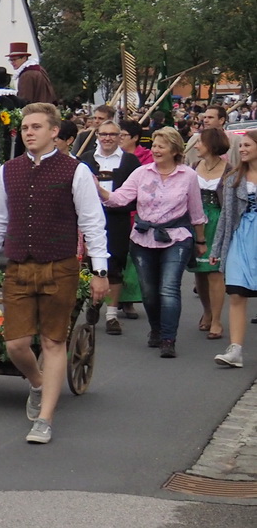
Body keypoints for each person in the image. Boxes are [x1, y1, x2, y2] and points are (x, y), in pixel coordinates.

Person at [0, 103, 111, 444]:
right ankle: (37, 382)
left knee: (53, 341)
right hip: (18, 264)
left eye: (36, 127)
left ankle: (45, 419)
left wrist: (100, 270)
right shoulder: (8, 170)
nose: (29, 132)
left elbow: (92, 222)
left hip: (60, 265)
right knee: (16, 343)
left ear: (53, 132)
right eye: (26, 127)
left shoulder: (74, 170)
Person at [101, 127, 206, 357]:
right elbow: (120, 199)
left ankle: (169, 338)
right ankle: (156, 329)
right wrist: (97, 188)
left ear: (174, 150)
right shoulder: (142, 173)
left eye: (161, 146)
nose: (156, 150)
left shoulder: (188, 175)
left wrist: (200, 240)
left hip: (177, 237)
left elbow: (196, 211)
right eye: (154, 146)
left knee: (169, 288)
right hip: (142, 238)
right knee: (149, 292)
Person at [80, 118, 142, 333]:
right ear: (97, 136)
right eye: (103, 134)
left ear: (119, 137)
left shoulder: (131, 162)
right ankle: (94, 303)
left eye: (112, 134)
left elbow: (137, 195)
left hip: (117, 220)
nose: (107, 138)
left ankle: (112, 315)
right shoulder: (85, 160)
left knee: (114, 266)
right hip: (90, 218)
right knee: (90, 265)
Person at [212, 132, 257, 367]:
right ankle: (235, 349)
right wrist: (217, 248)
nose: (242, 149)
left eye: (247, 145)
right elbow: (225, 218)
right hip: (240, 238)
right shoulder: (233, 179)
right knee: (237, 292)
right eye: (240, 146)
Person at [191, 128, 230, 339]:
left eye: (200, 142)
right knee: (200, 271)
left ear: (211, 145)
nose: (197, 145)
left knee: (215, 272)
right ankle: (206, 312)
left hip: (217, 220)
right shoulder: (194, 166)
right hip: (197, 221)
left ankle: (216, 319)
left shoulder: (229, 169)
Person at [8, 42, 57, 107]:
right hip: (46, 109)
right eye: (10, 60)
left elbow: (24, 99)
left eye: (14, 59)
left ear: (24, 58)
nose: (12, 63)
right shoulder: (39, 69)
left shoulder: (26, 75)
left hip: (35, 111)